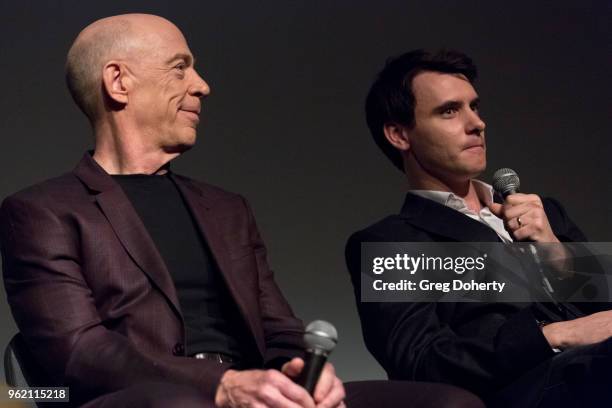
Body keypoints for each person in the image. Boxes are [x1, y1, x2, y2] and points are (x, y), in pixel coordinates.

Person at [0, 16, 485, 408]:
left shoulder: (227, 209)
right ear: (119, 81)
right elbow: (79, 353)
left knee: (452, 402)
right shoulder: (41, 212)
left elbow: (280, 332)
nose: (203, 86)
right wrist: (221, 385)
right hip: (150, 397)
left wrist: (304, 374)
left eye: (475, 107)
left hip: (254, 392)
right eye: (180, 67)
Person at [345, 49, 612, 407]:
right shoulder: (394, 242)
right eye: (450, 111)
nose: (477, 123)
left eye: (475, 107)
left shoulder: (545, 213)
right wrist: (555, 335)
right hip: (528, 390)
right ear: (399, 134)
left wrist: (555, 251)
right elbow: (421, 362)